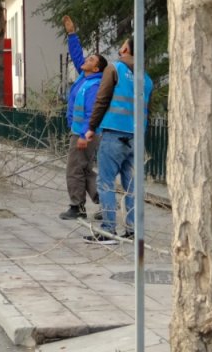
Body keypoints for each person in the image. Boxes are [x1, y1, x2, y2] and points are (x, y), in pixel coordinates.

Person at [82, 37, 153, 244]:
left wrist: (91, 127)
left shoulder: (114, 68)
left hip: (114, 133)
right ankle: (132, 230)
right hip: (136, 138)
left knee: (106, 183)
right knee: (132, 186)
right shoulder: (146, 79)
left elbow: (102, 99)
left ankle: (108, 230)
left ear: (125, 49)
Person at [58, 16, 106, 221]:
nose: (86, 60)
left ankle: (77, 207)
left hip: (85, 133)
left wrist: (85, 134)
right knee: (84, 169)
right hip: (81, 131)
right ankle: (106, 202)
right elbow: (77, 56)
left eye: (91, 60)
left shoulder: (95, 85)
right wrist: (72, 34)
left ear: (96, 68)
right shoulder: (84, 77)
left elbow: (92, 112)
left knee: (74, 169)